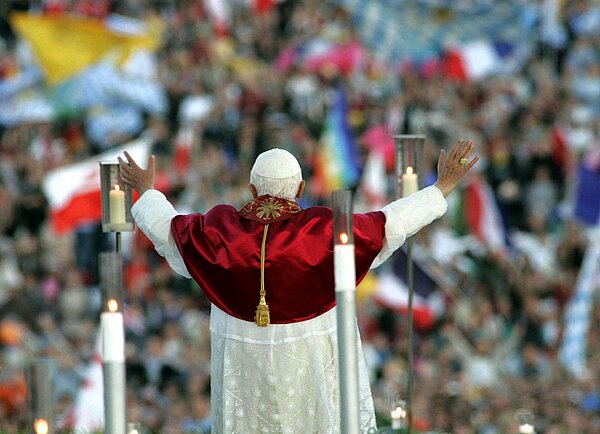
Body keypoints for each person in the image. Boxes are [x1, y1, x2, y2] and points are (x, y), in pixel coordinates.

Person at [119, 139, 478, 433]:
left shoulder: (218, 232)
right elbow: (390, 224)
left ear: (251, 188)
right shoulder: (323, 231)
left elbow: (168, 230)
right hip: (310, 375)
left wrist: (147, 191)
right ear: (301, 188)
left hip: (245, 381)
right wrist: (440, 188)